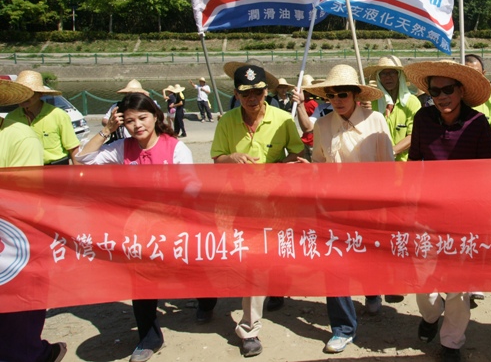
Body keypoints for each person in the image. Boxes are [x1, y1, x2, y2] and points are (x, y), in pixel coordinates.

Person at [76, 93, 194, 362]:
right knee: (141, 282)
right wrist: (107, 130)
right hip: (138, 229)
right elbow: (83, 159)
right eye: (130, 121)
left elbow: (192, 187)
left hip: (174, 225)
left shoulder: (175, 148)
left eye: (142, 118)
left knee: (190, 271)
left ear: (155, 116)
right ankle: (149, 337)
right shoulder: (121, 149)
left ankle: (206, 303)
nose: (137, 125)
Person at [202, 63, 305, 358]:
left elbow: (297, 152)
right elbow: (217, 159)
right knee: (249, 262)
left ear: (266, 92)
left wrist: (283, 168)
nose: (253, 98)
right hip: (237, 206)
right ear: (236, 93)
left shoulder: (284, 120)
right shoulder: (226, 122)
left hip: (274, 204)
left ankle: (273, 287)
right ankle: (249, 330)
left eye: (258, 92)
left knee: (269, 257)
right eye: (246, 92)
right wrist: (231, 157)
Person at [402, 60, 491, 362]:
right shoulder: (423, 118)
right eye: (434, 91)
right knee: (424, 282)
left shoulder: (478, 123)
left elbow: (489, 174)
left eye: (447, 90)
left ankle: (452, 342)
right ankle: (431, 316)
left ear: (461, 90)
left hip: (465, 219)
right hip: (427, 214)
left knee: (459, 286)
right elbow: (415, 163)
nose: (441, 96)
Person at [303, 65, 394, 354]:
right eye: (331, 95)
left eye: (343, 93)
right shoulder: (322, 125)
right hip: (334, 209)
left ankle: (372, 292)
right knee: (335, 266)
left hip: (369, 207)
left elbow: (388, 167)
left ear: (356, 95)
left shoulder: (376, 120)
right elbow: (318, 161)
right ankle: (342, 329)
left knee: (369, 258)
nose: (337, 99)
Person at [0, 80, 67, 362]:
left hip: (13, 232)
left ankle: (28, 352)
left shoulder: (21, 136)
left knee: (20, 301)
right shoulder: (16, 123)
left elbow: (24, 200)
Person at [5, 70, 79, 165]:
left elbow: (73, 148)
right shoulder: (11, 117)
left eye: (29, 93)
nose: (24, 97)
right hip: (25, 169)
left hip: (56, 169)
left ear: (40, 94)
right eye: (21, 93)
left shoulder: (58, 115)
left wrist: (78, 174)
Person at [363, 55, 422, 162]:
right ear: (378, 78)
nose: (388, 77)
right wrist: (365, 114)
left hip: (405, 165)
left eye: (392, 73)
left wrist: (391, 152)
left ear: (399, 76)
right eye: (383, 73)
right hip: (377, 163)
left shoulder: (412, 102)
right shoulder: (370, 103)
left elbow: (414, 135)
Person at [464, 54, 491, 151]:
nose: (472, 77)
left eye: (476, 73)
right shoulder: (453, 96)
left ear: (483, 74)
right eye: (468, 73)